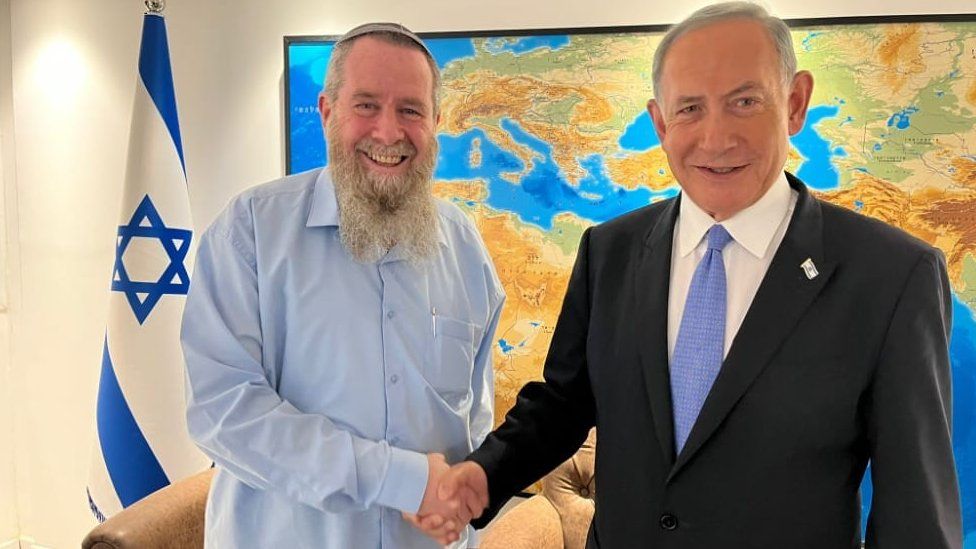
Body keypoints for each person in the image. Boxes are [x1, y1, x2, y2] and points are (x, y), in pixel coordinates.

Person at [415, 2, 962, 547]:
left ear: (795, 104)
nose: (716, 137)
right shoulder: (610, 251)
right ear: (659, 122)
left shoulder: (892, 276)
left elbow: (915, 514)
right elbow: (564, 404)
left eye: (745, 101)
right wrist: (485, 474)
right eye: (690, 109)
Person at [181, 22, 505, 548]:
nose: (388, 132)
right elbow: (225, 412)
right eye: (366, 105)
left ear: (436, 122)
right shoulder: (251, 232)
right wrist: (403, 480)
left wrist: (458, 498)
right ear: (328, 112)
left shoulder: (465, 247)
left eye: (410, 110)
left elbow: (473, 415)